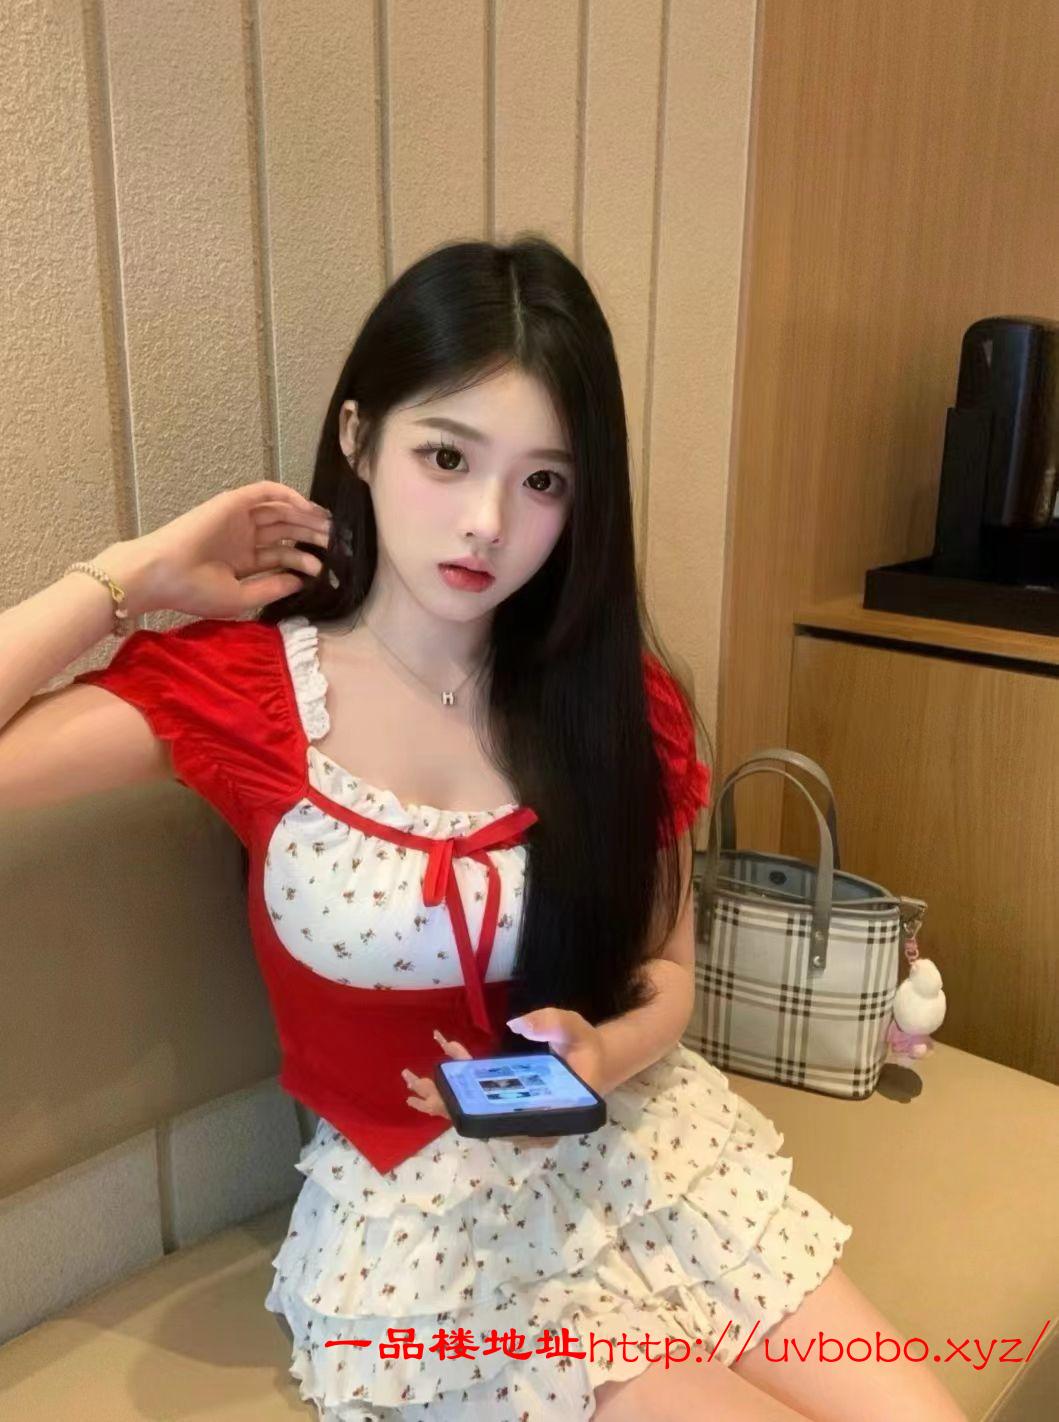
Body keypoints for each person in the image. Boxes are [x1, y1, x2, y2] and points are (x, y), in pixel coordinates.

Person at [0, 236, 966, 1421]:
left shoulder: (613, 702)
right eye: (447, 456)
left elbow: (667, 973)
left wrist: (600, 1058)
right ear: (359, 439)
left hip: (643, 1147)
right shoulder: (246, 692)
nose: (487, 523)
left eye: (544, 481)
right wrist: (132, 574)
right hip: (428, 1228)